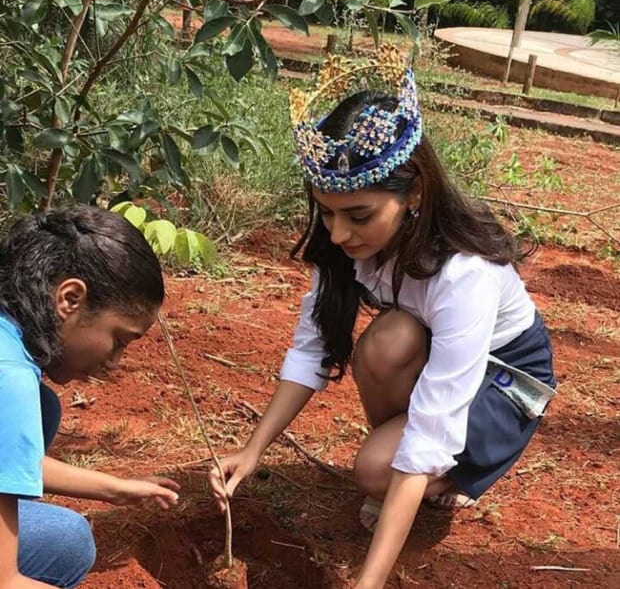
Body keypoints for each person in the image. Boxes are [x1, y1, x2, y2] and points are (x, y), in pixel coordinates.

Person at [209, 48, 557, 588]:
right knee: (389, 340)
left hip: (504, 380)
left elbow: (435, 418)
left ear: (414, 192)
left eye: (359, 215)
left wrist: (369, 580)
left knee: (377, 469)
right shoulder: (346, 249)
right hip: (426, 349)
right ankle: (400, 475)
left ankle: (439, 480)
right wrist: (252, 451)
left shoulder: (465, 274)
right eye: (325, 213)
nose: (339, 233)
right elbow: (310, 350)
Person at [0, 205, 181, 589]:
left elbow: (8, 454)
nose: (115, 361)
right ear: (69, 298)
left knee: (44, 407)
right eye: (119, 340)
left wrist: (114, 487)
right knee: (67, 542)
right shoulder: (8, 378)